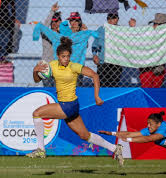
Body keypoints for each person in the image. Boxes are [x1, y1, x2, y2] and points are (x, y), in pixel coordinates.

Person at [27, 37, 124, 166]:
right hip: (68, 107)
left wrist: (97, 97)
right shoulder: (52, 66)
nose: (66, 59)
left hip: (69, 105)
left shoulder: (74, 67)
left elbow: (95, 76)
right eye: (63, 56)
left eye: (67, 56)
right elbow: (37, 80)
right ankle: (115, 148)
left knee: (37, 113)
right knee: (85, 135)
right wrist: (35, 71)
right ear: (58, 56)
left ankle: (40, 149)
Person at [138, 13, 166, 88]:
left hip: (160, 66)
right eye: (155, 24)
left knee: (156, 87)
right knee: (147, 86)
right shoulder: (146, 34)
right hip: (146, 66)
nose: (155, 26)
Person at [92, 13, 123, 87]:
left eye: (114, 18)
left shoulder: (122, 30)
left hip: (116, 63)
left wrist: (132, 27)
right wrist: (94, 55)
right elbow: (95, 44)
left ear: (117, 19)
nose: (111, 20)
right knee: (101, 86)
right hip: (103, 62)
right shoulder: (101, 29)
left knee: (114, 86)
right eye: (109, 18)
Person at [41, 2, 61, 87]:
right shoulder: (46, 34)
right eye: (52, 21)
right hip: (47, 66)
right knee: (48, 90)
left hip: (59, 68)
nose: (54, 23)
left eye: (57, 21)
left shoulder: (63, 35)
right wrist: (52, 12)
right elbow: (44, 26)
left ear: (60, 22)